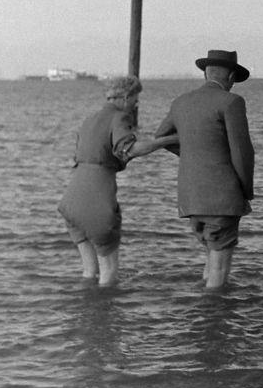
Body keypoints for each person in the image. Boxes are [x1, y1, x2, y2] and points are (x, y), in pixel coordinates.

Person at [58, 76, 176, 286]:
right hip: (97, 202)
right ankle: (106, 316)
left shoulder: (89, 120)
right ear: (125, 97)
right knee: (109, 274)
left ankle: (84, 314)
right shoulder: (120, 117)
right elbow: (129, 149)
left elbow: (80, 157)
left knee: (89, 271)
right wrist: (169, 140)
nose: (136, 104)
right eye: (135, 99)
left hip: (70, 201)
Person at [154, 49, 255, 290]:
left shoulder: (180, 102)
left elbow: (161, 136)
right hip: (222, 197)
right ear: (230, 76)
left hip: (190, 197)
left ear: (205, 74)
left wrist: (190, 152)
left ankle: (202, 317)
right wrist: (246, 191)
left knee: (211, 260)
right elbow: (242, 153)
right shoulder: (231, 102)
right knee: (220, 268)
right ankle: (213, 320)